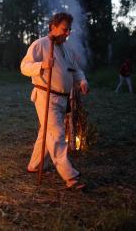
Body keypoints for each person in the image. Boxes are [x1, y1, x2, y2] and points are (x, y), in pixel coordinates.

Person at [20, 12, 89, 189]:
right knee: (57, 135)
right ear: (53, 27)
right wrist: (42, 66)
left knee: (46, 134)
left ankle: (34, 166)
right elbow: (24, 67)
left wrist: (82, 81)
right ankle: (70, 177)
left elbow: (75, 70)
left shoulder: (66, 49)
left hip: (62, 99)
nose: (67, 33)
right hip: (46, 96)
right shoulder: (41, 45)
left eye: (69, 30)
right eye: (65, 29)